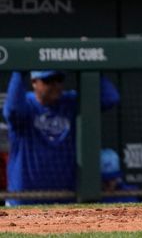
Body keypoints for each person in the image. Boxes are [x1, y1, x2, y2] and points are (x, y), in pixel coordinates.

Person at [3, 70, 119, 205]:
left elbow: (110, 98)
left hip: (64, 198)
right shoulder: (26, 104)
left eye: (58, 79)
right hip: (25, 198)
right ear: (34, 82)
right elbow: (12, 111)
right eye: (48, 81)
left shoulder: (70, 102)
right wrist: (18, 72)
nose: (55, 85)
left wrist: (93, 67)